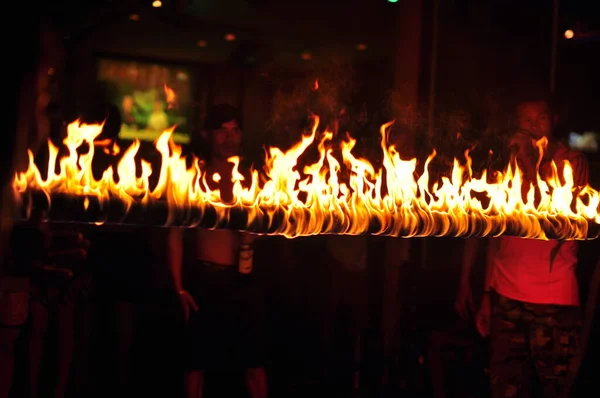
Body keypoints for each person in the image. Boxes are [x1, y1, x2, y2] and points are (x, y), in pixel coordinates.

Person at [459, 96, 589, 398]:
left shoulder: (571, 163)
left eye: (540, 117)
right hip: (506, 298)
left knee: (554, 389)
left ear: (553, 120)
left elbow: (546, 215)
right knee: (504, 388)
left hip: (554, 301)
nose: (533, 125)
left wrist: (529, 161)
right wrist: (486, 294)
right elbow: (494, 234)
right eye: (526, 119)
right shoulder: (502, 166)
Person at [167, 104, 267, 398]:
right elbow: (174, 234)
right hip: (205, 281)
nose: (229, 137)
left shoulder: (254, 178)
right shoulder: (192, 177)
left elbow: (264, 229)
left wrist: (252, 237)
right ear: (207, 135)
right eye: (222, 131)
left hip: (244, 281)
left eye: (235, 130)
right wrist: (179, 288)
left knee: (254, 363)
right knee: (196, 364)